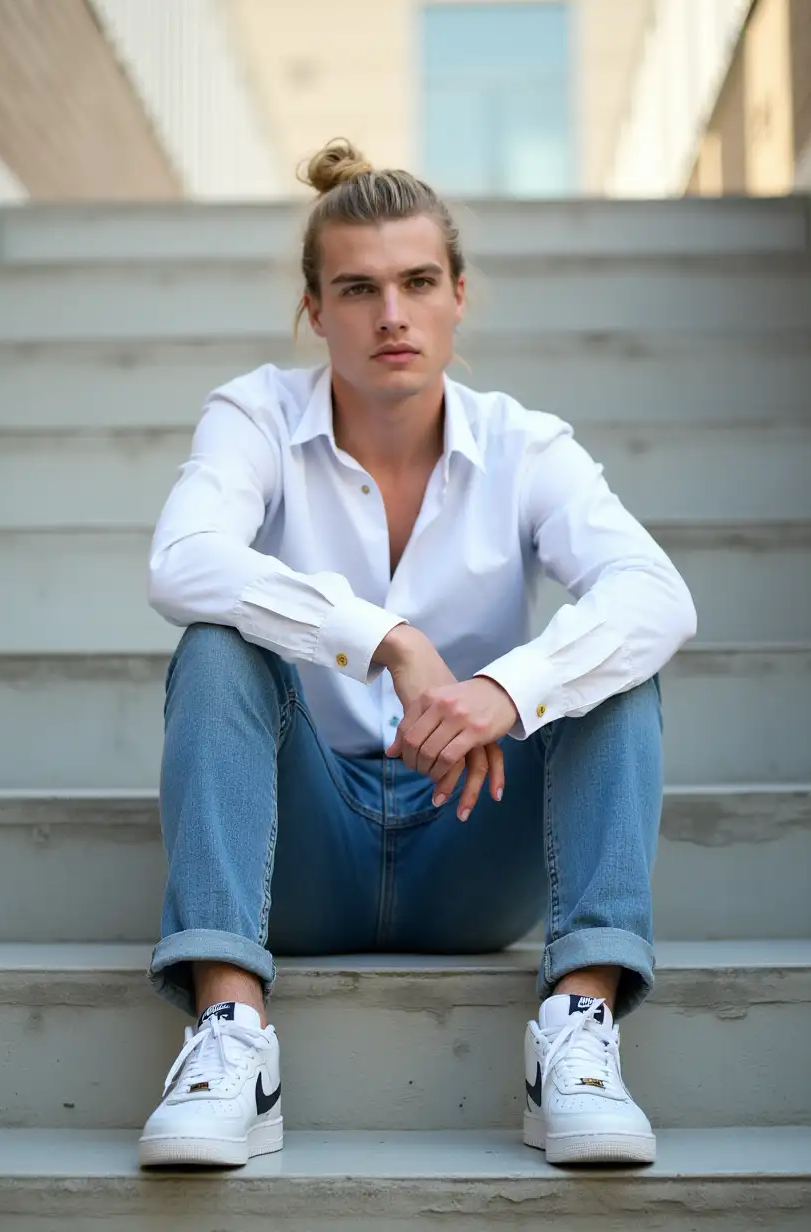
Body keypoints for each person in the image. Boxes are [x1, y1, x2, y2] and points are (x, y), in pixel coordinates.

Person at [138, 138, 697, 1170]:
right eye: (356, 288)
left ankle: (576, 1038)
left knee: (611, 664)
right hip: (301, 853)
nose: (389, 314)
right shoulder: (256, 413)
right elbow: (181, 561)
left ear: (457, 295)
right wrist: (384, 638)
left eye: (416, 282)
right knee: (218, 643)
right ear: (315, 310)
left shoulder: (524, 445)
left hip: (471, 840)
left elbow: (656, 592)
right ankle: (230, 1036)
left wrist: (506, 686)